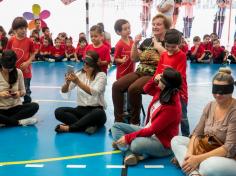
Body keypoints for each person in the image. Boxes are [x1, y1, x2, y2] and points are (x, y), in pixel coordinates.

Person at [171, 67, 236, 176]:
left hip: (229, 157)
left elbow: (229, 148)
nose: (219, 94)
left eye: (224, 91)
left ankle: (190, 165)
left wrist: (197, 159)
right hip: (208, 148)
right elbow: (197, 134)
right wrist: (190, 154)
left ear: (231, 90)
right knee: (176, 140)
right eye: (216, 89)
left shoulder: (234, 112)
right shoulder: (210, 106)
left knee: (208, 166)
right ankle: (194, 172)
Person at [111, 67, 182, 166]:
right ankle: (129, 153)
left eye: (161, 76)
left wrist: (127, 138)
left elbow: (151, 130)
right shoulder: (163, 91)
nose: (159, 76)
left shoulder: (172, 107)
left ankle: (125, 147)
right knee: (116, 126)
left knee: (135, 144)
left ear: (165, 84)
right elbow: (146, 89)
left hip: (162, 143)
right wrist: (154, 79)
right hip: (149, 132)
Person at [112, 14, 170, 125]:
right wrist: (135, 44)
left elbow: (169, 59)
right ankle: (118, 122)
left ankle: (135, 123)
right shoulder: (147, 41)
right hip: (140, 71)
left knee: (133, 89)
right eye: (153, 24)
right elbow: (134, 58)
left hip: (155, 74)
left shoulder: (169, 42)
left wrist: (158, 46)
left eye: (158, 24)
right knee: (116, 86)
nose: (155, 26)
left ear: (165, 27)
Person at [145, 29, 189, 136]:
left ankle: (186, 136)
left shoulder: (181, 56)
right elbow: (158, 71)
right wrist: (156, 79)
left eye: (173, 47)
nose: (170, 49)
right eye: (167, 46)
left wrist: (164, 78)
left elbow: (180, 75)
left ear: (179, 44)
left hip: (178, 90)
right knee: (161, 111)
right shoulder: (164, 55)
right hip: (164, 89)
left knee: (182, 116)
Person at [54, 50, 107, 134]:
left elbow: (95, 92)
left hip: (95, 111)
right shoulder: (79, 74)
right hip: (81, 110)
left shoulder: (101, 76)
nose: (85, 64)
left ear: (94, 63)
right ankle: (88, 125)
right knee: (58, 111)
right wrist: (67, 83)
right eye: (84, 62)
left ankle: (70, 128)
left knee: (99, 112)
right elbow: (64, 91)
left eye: (88, 63)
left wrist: (78, 82)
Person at [0, 50, 39, 126]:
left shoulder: (18, 72)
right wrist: (0, 94)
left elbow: (23, 91)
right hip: (1, 109)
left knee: (34, 106)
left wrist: (19, 93)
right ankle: (18, 122)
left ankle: (4, 122)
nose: (8, 70)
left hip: (15, 107)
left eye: (10, 68)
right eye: (5, 68)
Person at [6, 17, 35, 104]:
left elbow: (33, 54)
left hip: (26, 70)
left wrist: (27, 62)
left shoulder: (29, 41)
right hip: (13, 70)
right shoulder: (11, 40)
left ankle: (27, 104)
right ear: (15, 30)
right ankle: (13, 105)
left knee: (26, 89)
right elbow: (7, 53)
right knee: (13, 87)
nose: (24, 30)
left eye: (25, 28)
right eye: (21, 28)